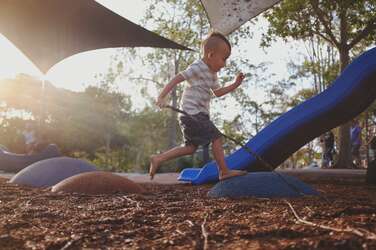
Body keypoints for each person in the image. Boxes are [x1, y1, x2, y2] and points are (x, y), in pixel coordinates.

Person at [149, 31, 247, 181]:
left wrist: (235, 84)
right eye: (224, 59)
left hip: (193, 115)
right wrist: (162, 96)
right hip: (192, 113)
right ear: (211, 55)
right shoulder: (198, 67)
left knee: (190, 148)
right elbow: (177, 78)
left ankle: (159, 158)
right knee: (216, 137)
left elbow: (218, 92)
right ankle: (224, 171)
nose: (225, 64)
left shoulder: (213, 74)